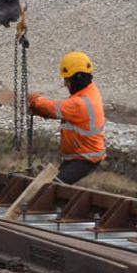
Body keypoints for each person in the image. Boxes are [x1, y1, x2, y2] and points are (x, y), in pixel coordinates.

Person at [28, 51, 106, 184]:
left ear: (77, 78)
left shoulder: (81, 102)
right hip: (80, 156)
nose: (65, 84)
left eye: (67, 79)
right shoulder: (88, 92)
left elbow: (56, 108)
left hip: (85, 158)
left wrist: (36, 100)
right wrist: (41, 111)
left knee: (54, 188)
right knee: (53, 186)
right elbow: (64, 113)